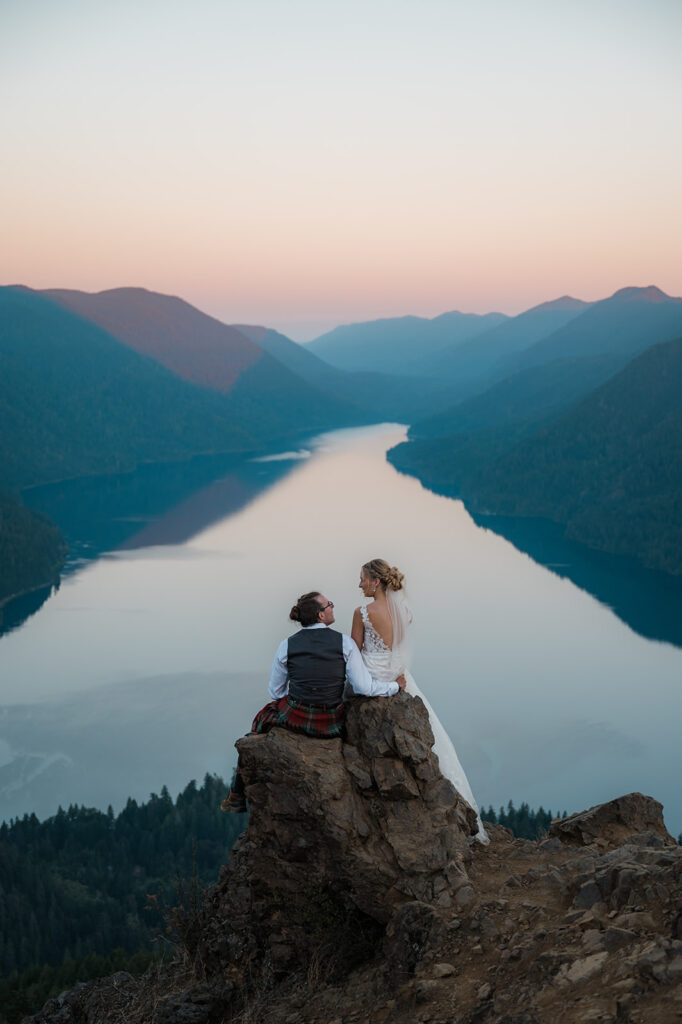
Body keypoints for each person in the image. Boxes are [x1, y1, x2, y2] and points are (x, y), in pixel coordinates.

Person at [222, 589, 405, 812]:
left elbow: (276, 692)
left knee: (260, 719)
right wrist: (395, 686)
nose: (333, 607)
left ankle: (236, 795)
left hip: (296, 718)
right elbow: (363, 687)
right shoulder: (344, 643)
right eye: (329, 605)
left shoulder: (286, 645)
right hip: (331, 722)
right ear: (320, 615)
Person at [351, 558, 489, 843]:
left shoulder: (362, 612)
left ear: (376, 581)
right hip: (400, 678)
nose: (359, 583)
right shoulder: (404, 611)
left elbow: (353, 654)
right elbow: (399, 648)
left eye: (363, 578)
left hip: (372, 677)